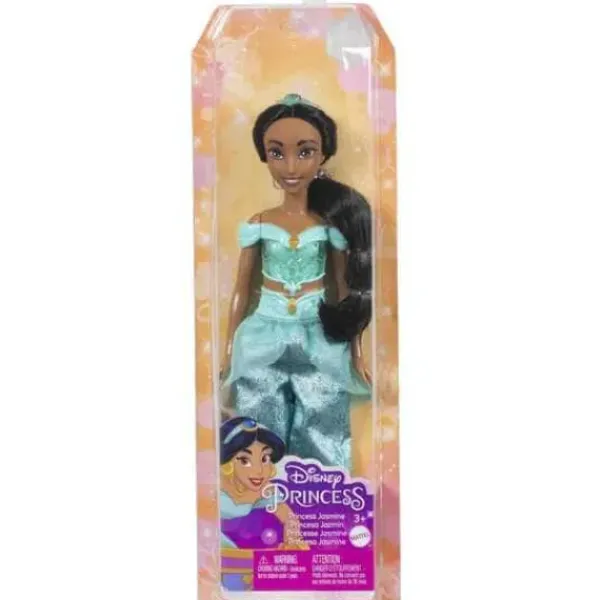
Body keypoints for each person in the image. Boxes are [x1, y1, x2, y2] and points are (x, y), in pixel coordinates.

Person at [220, 93, 372, 470]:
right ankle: (260, 498)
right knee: (259, 433)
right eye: (277, 152)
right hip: (262, 337)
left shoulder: (329, 227)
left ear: (323, 155)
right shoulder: (259, 223)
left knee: (323, 426)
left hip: (319, 337)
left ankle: (326, 494)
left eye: (305, 152)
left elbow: (345, 291)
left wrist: (356, 350)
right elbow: (241, 290)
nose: (290, 166)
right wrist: (228, 348)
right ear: (264, 156)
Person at [219, 417, 306, 591]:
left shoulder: (266, 490)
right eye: (245, 460)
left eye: (265, 458)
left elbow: (290, 518)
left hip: (254, 566)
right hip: (224, 563)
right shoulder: (215, 488)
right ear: (228, 463)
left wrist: (292, 542)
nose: (259, 470)